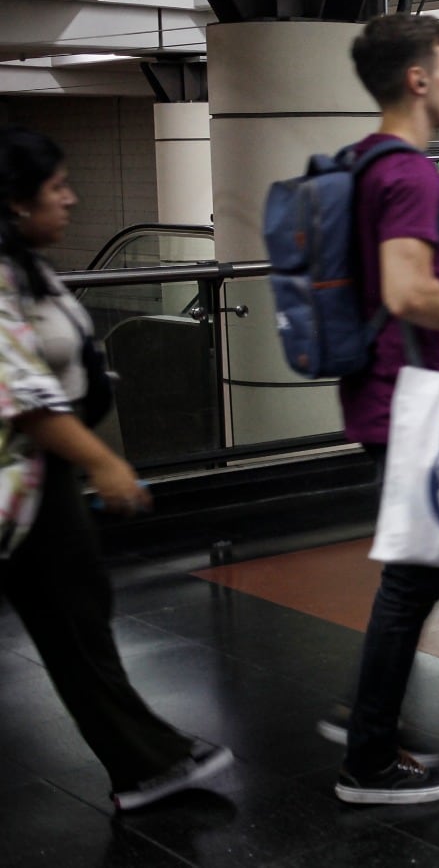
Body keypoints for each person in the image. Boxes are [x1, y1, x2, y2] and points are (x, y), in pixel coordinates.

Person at [0, 126, 234, 811]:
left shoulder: (27, 266)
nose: (71, 200)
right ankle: (144, 763)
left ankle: (144, 757)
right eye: (57, 189)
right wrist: (106, 463)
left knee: (77, 615)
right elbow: (25, 394)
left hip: (42, 477)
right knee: (73, 617)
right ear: (16, 202)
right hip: (26, 479)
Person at [322, 13, 439, 803]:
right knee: (415, 578)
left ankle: (367, 712)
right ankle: (367, 757)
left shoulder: (361, 162)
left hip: (375, 387)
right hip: (411, 396)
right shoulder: (413, 173)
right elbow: (401, 290)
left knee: (415, 572)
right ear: (418, 79)